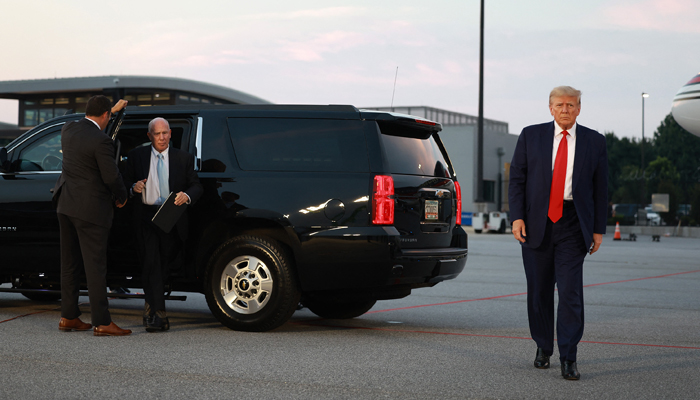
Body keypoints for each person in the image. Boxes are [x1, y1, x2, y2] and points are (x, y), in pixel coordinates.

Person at [508, 86, 608, 380]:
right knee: (539, 292)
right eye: (560, 105)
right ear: (550, 108)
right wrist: (516, 218)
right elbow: (517, 180)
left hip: (574, 225)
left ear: (579, 109)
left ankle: (568, 356)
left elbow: (601, 189)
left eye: (571, 105)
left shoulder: (594, 141)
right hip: (536, 223)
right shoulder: (531, 136)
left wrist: (598, 229)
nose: (565, 109)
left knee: (570, 292)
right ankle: (543, 346)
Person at [53, 95, 132, 336]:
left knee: (69, 264)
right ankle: (102, 322)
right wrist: (123, 196)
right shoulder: (102, 141)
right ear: (106, 116)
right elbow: (111, 176)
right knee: (95, 267)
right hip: (91, 211)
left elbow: (86, 126)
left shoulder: (69, 129)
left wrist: (112, 109)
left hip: (66, 206)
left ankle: (69, 317)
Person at [123, 117, 202, 332]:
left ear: (170, 134)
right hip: (145, 217)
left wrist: (186, 195)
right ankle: (159, 316)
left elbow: (197, 185)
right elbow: (124, 181)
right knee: (152, 264)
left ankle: (150, 306)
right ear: (149, 136)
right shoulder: (136, 156)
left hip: (171, 217)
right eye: (157, 134)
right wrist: (133, 187)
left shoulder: (183, 158)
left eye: (165, 133)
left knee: (162, 266)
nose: (162, 138)